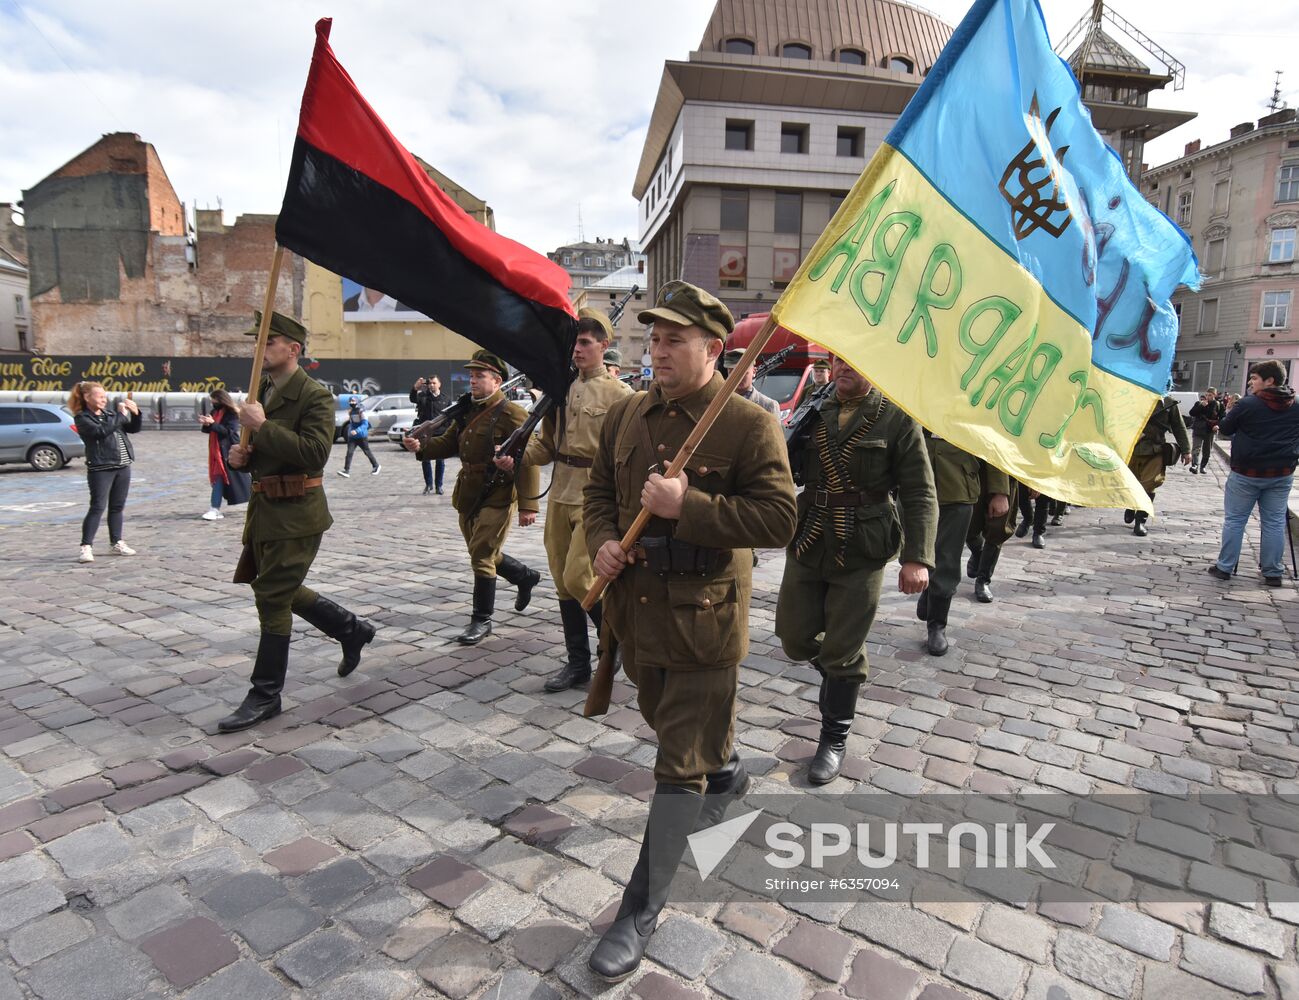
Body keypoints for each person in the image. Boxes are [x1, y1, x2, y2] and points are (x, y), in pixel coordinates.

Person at [583, 281, 796, 982]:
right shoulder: (625, 415)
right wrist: (605, 543)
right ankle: (727, 770)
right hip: (636, 618)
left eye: (675, 339)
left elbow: (776, 521)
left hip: (703, 619)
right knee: (676, 729)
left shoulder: (747, 424)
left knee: (676, 767)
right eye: (654, 337)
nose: (659, 349)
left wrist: (689, 504)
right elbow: (595, 495)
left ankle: (637, 912)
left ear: (714, 348)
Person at [778, 356, 935, 780]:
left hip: (862, 545)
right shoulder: (815, 407)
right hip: (809, 536)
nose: (844, 367)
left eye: (855, 360)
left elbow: (920, 491)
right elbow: (786, 467)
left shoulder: (896, 417)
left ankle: (834, 736)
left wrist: (917, 557)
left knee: (842, 652)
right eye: (837, 360)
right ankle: (840, 667)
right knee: (793, 638)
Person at [219, 311, 377, 733]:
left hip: (297, 513)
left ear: (294, 349)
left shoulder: (315, 396)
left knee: (272, 596)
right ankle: (351, 630)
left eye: (268, 342)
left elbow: (313, 454)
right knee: (277, 587)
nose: (260, 349)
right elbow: (264, 453)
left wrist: (263, 426)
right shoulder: (263, 390)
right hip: (266, 511)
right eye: (257, 342)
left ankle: (265, 694)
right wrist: (243, 456)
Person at [494, 309, 630, 692]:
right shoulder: (561, 389)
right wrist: (515, 457)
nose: (578, 351)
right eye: (575, 343)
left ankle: (615, 639)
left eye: (586, 343)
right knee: (561, 581)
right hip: (561, 493)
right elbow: (548, 447)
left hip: (596, 496)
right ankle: (578, 664)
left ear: (605, 346)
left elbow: (628, 453)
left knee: (579, 576)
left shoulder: (621, 396)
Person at [403, 350, 541, 644]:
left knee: (481, 554)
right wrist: (421, 447)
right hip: (469, 492)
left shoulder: (511, 413)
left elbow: (529, 458)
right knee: (484, 552)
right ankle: (524, 576)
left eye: (480, 376)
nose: (473, 380)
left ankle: (482, 620)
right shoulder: (466, 410)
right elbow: (448, 442)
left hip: (499, 492)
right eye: (471, 375)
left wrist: (528, 505)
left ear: (497, 381)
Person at [1208, 360, 1299, 587]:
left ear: (1270, 381)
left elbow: (1226, 429)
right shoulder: (1296, 404)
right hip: (1281, 472)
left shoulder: (1248, 404)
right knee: (1274, 522)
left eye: (1255, 378)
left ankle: (1225, 567)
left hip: (1247, 473)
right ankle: (1272, 572)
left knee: (1236, 520)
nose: (1250, 382)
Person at [918, 440, 1002, 655]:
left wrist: (1000, 491)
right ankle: (929, 589)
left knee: (947, 556)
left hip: (958, 482)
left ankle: (937, 625)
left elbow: (992, 437)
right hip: (916, 476)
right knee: (918, 548)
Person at [70, 381, 141, 563]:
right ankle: (86, 547)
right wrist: (119, 415)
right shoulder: (82, 418)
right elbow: (101, 432)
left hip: (122, 465)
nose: (104, 399)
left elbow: (133, 428)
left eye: (105, 396)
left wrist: (136, 413)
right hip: (101, 467)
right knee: (97, 506)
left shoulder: (109, 414)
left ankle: (116, 541)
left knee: (117, 507)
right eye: (100, 396)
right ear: (87, 397)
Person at [1124, 393, 1190, 536]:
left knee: (1150, 483)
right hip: (1132, 449)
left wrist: (1186, 450)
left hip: (1156, 449)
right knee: (1131, 482)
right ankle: (1130, 506)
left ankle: (1140, 520)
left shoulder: (1168, 402)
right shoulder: (1133, 394)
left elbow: (1178, 426)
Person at [966, 468, 1018, 603]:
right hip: (968, 472)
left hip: (1004, 475)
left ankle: (983, 580)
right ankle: (979, 554)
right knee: (967, 527)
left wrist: (1001, 491)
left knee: (997, 530)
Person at [198, 389, 251, 520]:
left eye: (214, 400)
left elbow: (229, 432)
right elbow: (210, 430)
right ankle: (214, 508)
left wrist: (213, 424)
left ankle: (214, 508)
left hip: (228, 450)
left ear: (221, 399)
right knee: (221, 478)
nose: (212, 403)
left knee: (226, 478)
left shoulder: (231, 414)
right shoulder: (214, 412)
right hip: (216, 451)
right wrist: (206, 424)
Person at [410, 375, 446, 494]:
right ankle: (429, 485)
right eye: (430, 383)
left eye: (434, 383)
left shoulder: (445, 398)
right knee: (425, 460)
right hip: (425, 433)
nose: (432, 385)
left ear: (439, 384)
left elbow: (449, 418)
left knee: (440, 461)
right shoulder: (423, 396)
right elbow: (413, 399)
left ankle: (439, 486)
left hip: (440, 433)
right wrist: (415, 388)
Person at [723, 348, 781, 420]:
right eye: (733, 373)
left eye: (744, 373)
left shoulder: (768, 405)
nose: (738, 377)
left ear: (754, 372)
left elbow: (775, 431)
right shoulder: (720, 402)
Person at [338, 395, 380, 477]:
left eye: (353, 401)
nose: (351, 403)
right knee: (349, 453)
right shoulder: (351, 412)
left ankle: (376, 466)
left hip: (361, 436)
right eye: (350, 402)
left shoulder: (362, 412)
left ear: (357, 402)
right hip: (352, 437)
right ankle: (346, 470)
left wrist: (357, 431)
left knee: (367, 452)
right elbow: (352, 423)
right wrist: (350, 432)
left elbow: (365, 424)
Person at [1188, 388, 1225, 474]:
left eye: (1210, 395)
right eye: (1207, 395)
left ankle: (1203, 466)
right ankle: (1195, 465)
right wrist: (1201, 406)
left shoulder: (1219, 405)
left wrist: (1218, 425)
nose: (1208, 397)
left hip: (1210, 430)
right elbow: (1192, 413)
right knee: (1196, 448)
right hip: (1198, 428)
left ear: (1214, 395)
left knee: (1207, 450)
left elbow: (1223, 417)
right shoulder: (1199, 403)